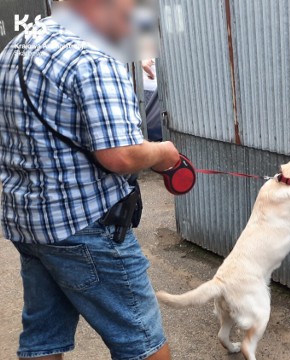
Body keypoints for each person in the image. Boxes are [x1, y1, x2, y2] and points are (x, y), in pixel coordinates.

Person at [0, 0, 180, 359]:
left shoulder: (16, 47)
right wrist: (164, 154)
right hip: (85, 228)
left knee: (43, 336)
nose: (135, 21)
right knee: (143, 343)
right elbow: (121, 155)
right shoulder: (93, 56)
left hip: (28, 224)